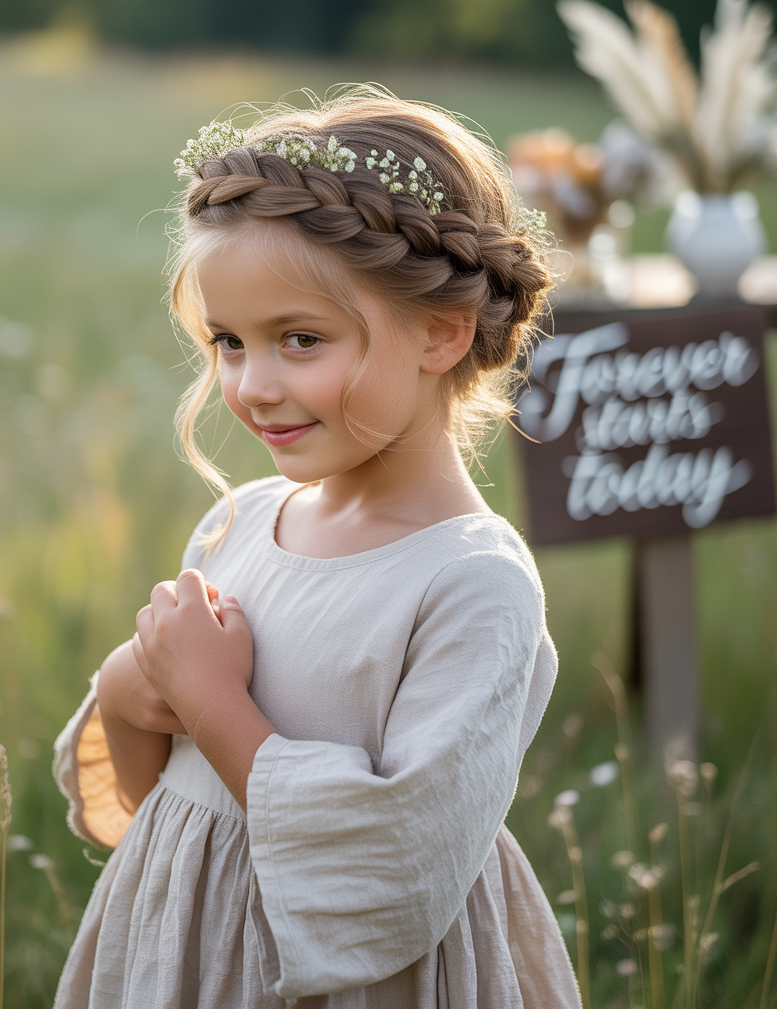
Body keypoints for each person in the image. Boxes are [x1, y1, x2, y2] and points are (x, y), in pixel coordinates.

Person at [51, 86, 581, 1008]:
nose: (253, 386)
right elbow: (155, 810)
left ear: (442, 332)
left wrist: (210, 699)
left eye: (301, 340)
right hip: (189, 958)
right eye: (228, 342)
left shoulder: (469, 584)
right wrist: (128, 694)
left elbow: (393, 865)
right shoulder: (239, 524)